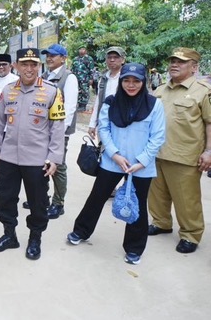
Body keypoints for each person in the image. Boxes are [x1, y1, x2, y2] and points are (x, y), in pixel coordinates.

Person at [67, 63, 166, 265]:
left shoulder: (154, 105)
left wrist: (142, 161)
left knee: (137, 205)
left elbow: (158, 136)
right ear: (121, 82)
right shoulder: (111, 102)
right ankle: (81, 231)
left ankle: (134, 248)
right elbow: (104, 130)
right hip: (112, 162)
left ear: (143, 82)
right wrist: (115, 155)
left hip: (141, 166)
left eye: (136, 81)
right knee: (97, 198)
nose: (131, 85)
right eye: (126, 80)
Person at [0, 48, 65, 260]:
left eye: (34, 64)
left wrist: (55, 157)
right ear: (16, 67)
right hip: (9, 156)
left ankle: (35, 238)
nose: (29, 69)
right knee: (5, 200)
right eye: (24, 64)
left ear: (39, 66)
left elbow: (58, 127)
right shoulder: (8, 90)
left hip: (37, 160)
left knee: (38, 203)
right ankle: (9, 235)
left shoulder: (52, 92)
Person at [149, 47, 211, 254]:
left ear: (194, 67)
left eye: (181, 62)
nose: (174, 65)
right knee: (157, 195)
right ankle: (161, 222)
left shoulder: (204, 90)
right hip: (157, 153)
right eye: (173, 61)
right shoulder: (161, 89)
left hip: (185, 155)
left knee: (186, 199)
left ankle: (190, 234)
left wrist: (210, 152)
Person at [41, 44, 78, 220]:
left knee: (58, 166)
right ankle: (43, 197)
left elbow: (69, 108)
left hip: (59, 131)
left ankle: (58, 203)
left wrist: (59, 134)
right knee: (42, 163)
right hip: (42, 130)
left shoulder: (69, 78)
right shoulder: (44, 76)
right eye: (47, 55)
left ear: (63, 58)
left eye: (53, 56)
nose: (49, 58)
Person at [88, 46, 126, 140]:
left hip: (122, 123)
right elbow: (98, 101)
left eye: (116, 57)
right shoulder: (103, 78)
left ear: (123, 60)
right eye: (109, 57)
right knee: (103, 150)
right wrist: (92, 123)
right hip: (104, 123)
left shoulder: (127, 78)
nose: (112, 60)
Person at [71, 47, 96, 112]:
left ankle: (83, 106)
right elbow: (72, 69)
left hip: (85, 79)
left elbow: (92, 69)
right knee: (77, 91)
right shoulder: (75, 59)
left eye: (83, 49)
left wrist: (91, 79)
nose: (81, 50)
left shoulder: (89, 59)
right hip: (76, 79)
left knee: (84, 91)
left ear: (85, 50)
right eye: (80, 49)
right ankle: (78, 104)